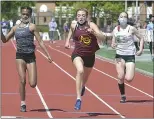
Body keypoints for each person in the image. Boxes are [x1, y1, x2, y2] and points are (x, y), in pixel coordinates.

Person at [1, 6, 52, 112]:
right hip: (20, 56)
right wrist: (1, 33)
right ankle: (23, 103)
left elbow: (40, 42)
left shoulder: (32, 27)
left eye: (27, 14)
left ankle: (24, 99)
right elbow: (5, 40)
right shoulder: (15, 28)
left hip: (30, 57)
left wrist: (47, 54)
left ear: (30, 15)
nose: (25, 16)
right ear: (21, 14)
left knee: (33, 84)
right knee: (22, 80)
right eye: (23, 14)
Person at [65, 8, 106, 110]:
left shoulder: (91, 25)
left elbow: (103, 37)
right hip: (77, 54)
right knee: (80, 70)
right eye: (79, 15)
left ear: (86, 17)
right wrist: (67, 41)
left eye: (83, 15)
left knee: (85, 78)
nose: (81, 17)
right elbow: (71, 30)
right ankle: (78, 98)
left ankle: (83, 86)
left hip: (90, 56)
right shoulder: (74, 24)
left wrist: (94, 33)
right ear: (76, 16)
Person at [111, 12, 144, 103]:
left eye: (125, 17)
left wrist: (140, 49)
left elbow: (141, 38)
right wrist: (113, 44)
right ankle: (123, 95)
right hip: (119, 56)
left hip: (130, 55)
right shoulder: (115, 29)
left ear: (127, 19)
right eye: (121, 17)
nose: (123, 18)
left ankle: (127, 68)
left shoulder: (131, 28)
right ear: (118, 18)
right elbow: (113, 42)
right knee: (120, 76)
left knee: (129, 78)